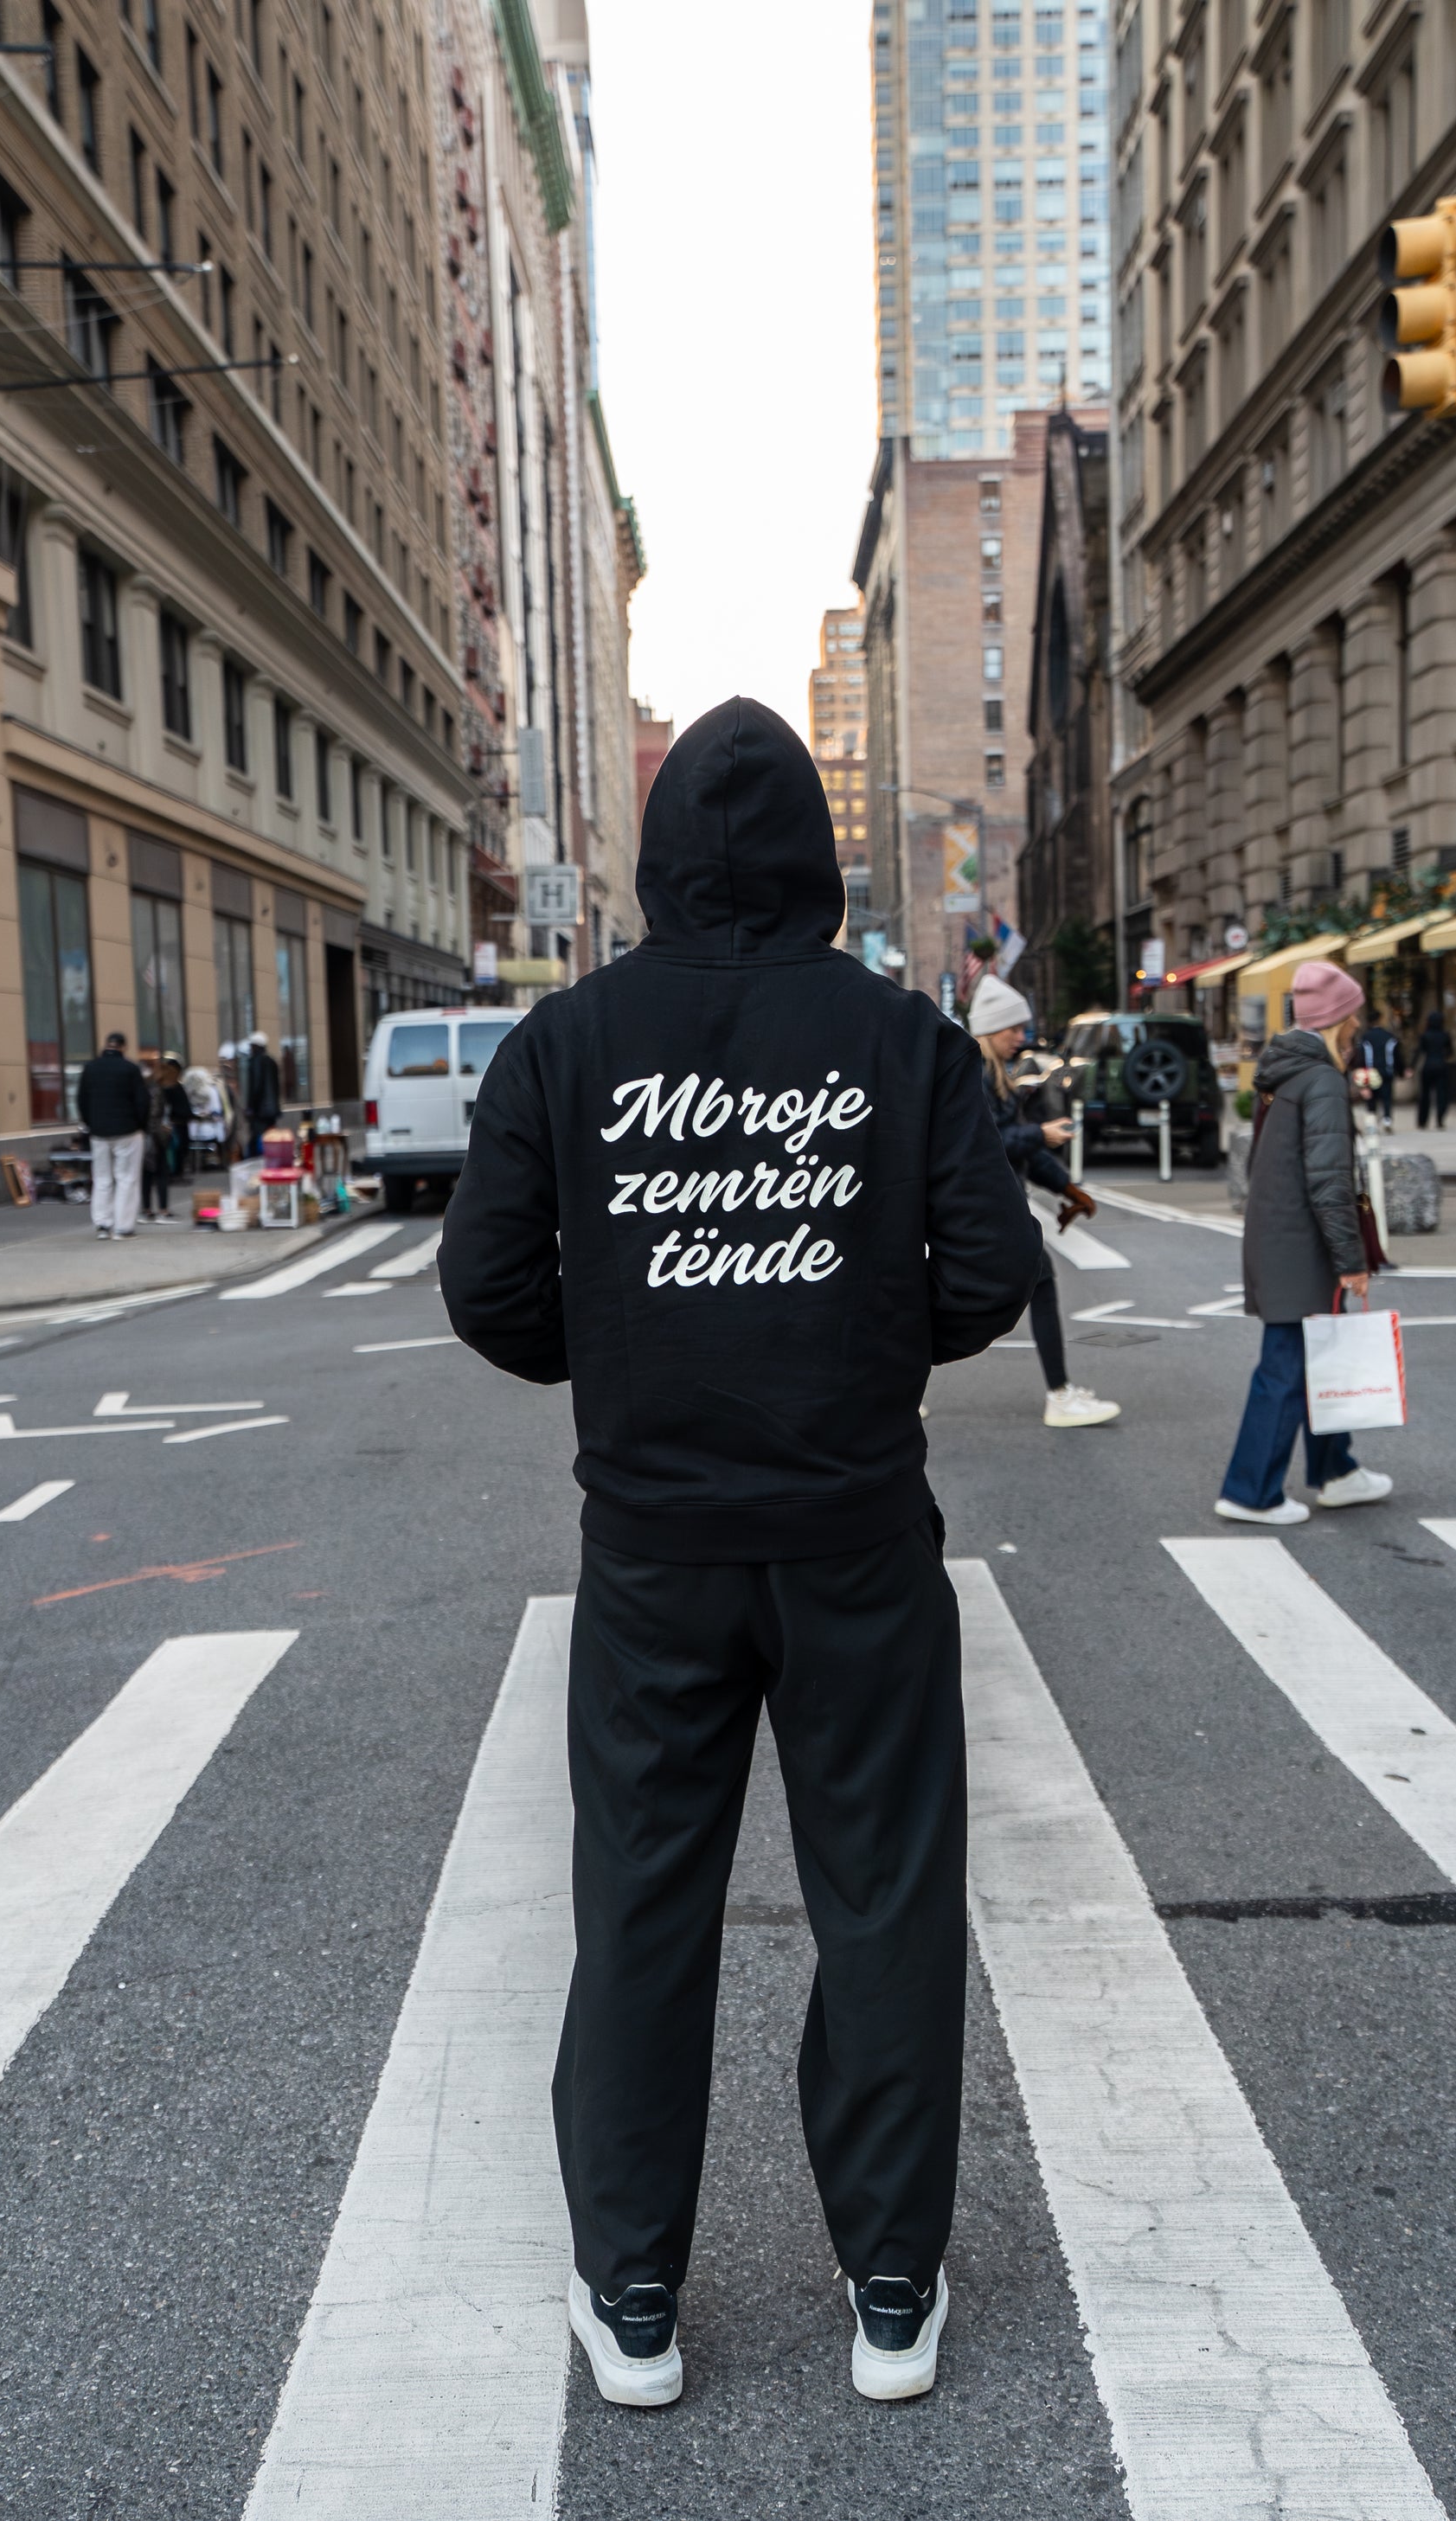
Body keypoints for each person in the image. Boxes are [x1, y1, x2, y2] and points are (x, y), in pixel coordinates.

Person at [441, 696, 1038, 2409]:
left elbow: (486, 1287)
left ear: (652, 863)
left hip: (654, 1548)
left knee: (640, 1904)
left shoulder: (567, 1041)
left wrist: (627, 1352)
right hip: (856, 1535)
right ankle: (892, 2279)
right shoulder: (901, 1038)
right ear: (815, 858)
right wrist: (858, 1342)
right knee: (886, 1899)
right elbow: (988, 1272)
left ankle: (633, 2284)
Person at [1215, 960, 1391, 1525]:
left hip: (1279, 1236)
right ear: (1338, 1018)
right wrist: (1351, 1259)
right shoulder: (1323, 1081)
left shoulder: (1284, 1074)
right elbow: (1330, 1181)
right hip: (1302, 1245)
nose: (1358, 1025)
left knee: (1319, 1358)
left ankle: (1337, 1471)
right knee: (1286, 1367)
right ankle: (1251, 1492)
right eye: (1353, 1014)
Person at [967, 972, 1119, 1428]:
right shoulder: (974, 1076)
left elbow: (1024, 1151)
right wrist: (1040, 1133)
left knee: (949, 1298)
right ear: (990, 1029)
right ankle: (1059, 1395)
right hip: (983, 1209)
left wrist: (1069, 1189)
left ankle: (897, 1392)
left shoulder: (998, 1076)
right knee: (1039, 1282)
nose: (1022, 1036)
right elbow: (985, 1144)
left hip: (990, 1208)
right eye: (1013, 1028)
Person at [75, 1030, 150, 1240]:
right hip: (128, 1131)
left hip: (98, 1132)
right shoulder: (131, 1069)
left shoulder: (90, 1068)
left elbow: (81, 1100)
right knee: (127, 1179)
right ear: (123, 1047)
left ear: (106, 1045)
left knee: (102, 1179)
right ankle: (123, 1227)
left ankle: (102, 1224)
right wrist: (140, 1126)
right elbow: (142, 1102)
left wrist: (90, 1124)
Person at [142, 1058, 193, 1222]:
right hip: (157, 1136)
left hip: (147, 1135)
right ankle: (162, 1210)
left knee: (147, 1173)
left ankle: (147, 1209)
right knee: (161, 1172)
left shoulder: (147, 1088)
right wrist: (164, 1129)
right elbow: (155, 1115)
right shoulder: (158, 1091)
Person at [1353, 1004, 1405, 1126]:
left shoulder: (1365, 1037)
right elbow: (1396, 1054)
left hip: (1371, 1072)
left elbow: (1361, 1055)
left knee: (1371, 1097)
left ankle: (1372, 1119)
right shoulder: (1389, 1037)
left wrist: (1360, 1069)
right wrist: (1401, 1071)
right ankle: (1387, 1119)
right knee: (1387, 1096)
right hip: (1387, 1071)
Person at [242, 1030, 282, 1156]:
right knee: (269, 1135)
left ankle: (258, 1158)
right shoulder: (272, 1062)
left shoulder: (256, 1062)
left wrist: (251, 1107)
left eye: (252, 1046)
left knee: (258, 1137)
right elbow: (277, 1087)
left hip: (260, 1111)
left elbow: (256, 1087)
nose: (250, 1049)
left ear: (256, 1047)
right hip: (271, 1110)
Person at [1415, 1008, 1452, 1130]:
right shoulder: (1445, 1035)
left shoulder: (1425, 1036)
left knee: (1425, 1095)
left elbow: (1419, 1052)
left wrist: (1411, 1067)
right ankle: (1440, 1119)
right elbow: (1450, 1052)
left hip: (1428, 1066)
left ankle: (1423, 1121)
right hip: (1441, 1066)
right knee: (1442, 1094)